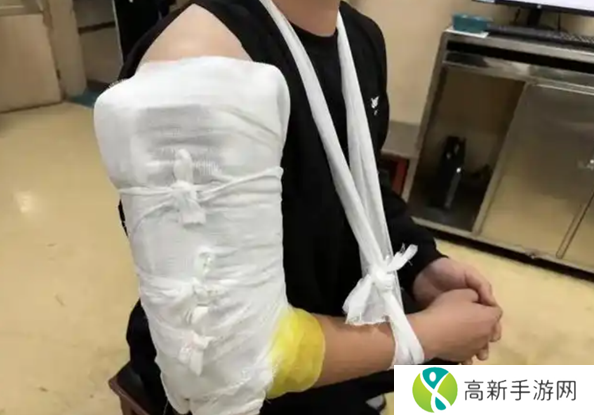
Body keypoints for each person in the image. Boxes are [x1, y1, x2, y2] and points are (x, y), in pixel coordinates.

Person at [115, 1, 503, 414]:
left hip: (334, 302)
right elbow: (228, 363)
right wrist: (428, 334)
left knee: (461, 372)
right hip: (230, 361)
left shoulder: (359, 37)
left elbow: (361, 184)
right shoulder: (197, 66)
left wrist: (421, 264)